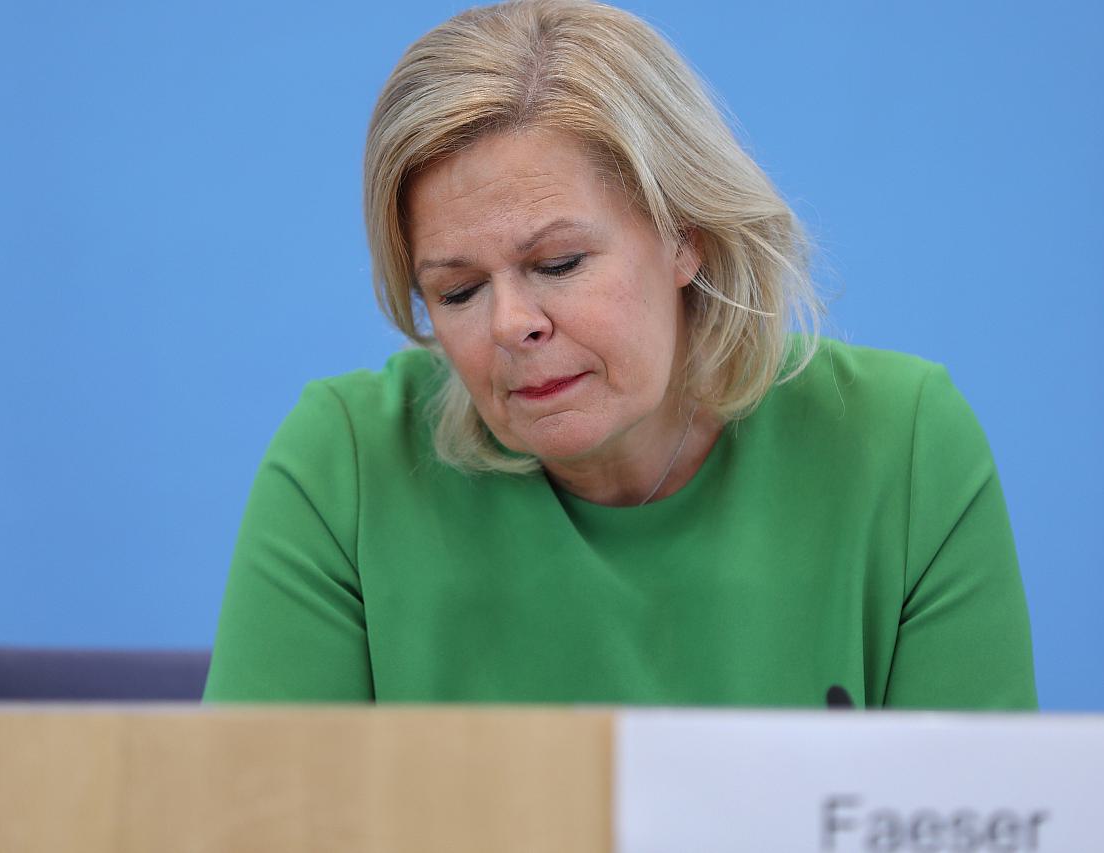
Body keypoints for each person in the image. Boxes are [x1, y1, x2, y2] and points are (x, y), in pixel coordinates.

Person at [203, 0, 1037, 709]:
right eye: (458, 291)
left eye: (559, 263)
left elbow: (972, 814)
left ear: (686, 236)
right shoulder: (345, 465)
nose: (511, 324)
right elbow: (247, 819)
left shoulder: (903, 446)